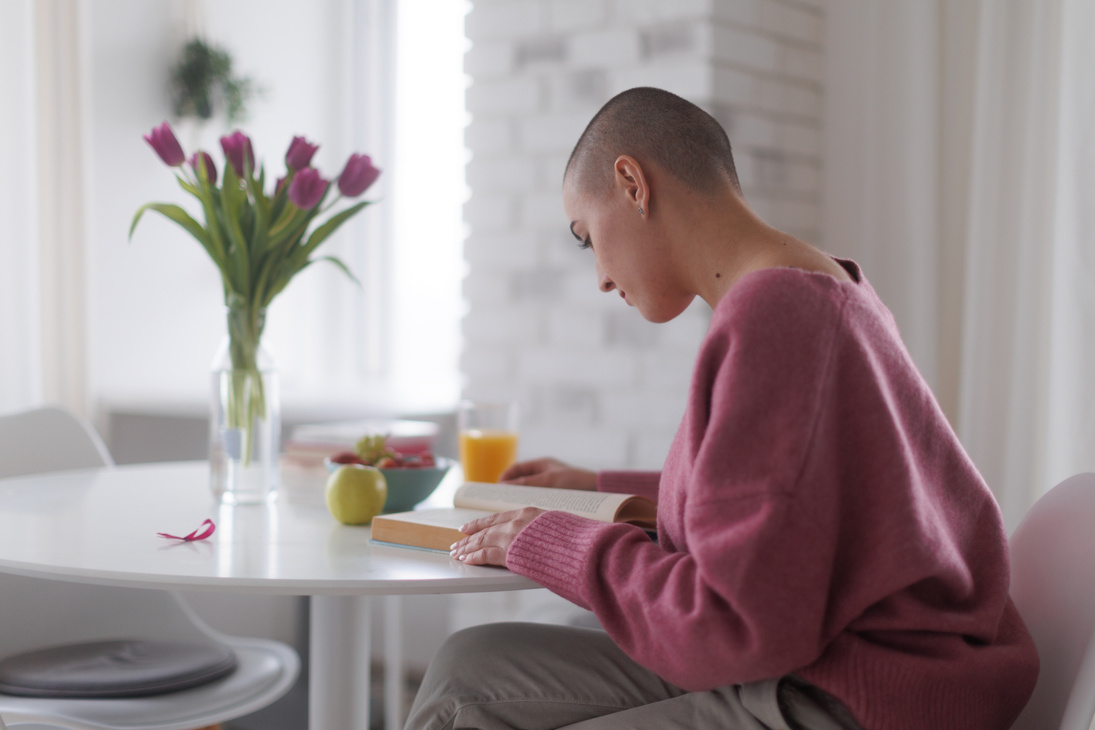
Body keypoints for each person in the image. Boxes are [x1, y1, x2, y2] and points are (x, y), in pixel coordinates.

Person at [405, 87, 1039, 730]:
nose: (598, 275)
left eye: (586, 236)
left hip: (853, 692)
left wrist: (554, 543)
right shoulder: (812, 285)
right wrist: (596, 487)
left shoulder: (778, 320)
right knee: (471, 664)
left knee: (468, 706)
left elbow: (733, 622)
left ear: (632, 183)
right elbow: (782, 504)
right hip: (825, 654)